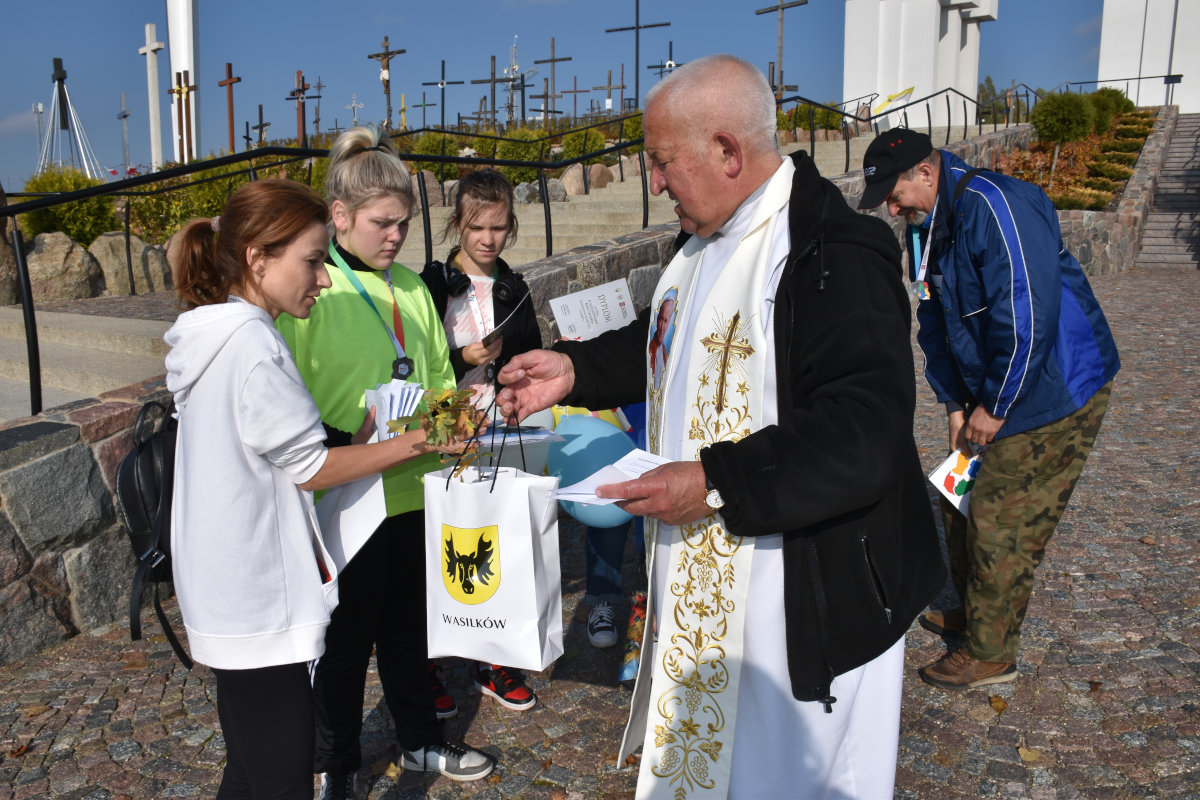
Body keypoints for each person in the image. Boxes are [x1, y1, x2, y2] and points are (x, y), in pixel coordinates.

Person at [497, 54, 945, 798]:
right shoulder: (701, 243)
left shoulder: (833, 254)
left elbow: (863, 433)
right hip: (708, 572)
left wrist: (713, 481)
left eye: (663, 162)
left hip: (794, 596)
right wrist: (574, 371)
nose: (656, 182)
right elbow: (669, 336)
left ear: (728, 152)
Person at [165, 179, 473, 799]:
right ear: (258, 258)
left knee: (250, 772)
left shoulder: (217, 336)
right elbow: (311, 468)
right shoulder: (253, 345)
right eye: (311, 261)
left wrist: (363, 435)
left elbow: (280, 453)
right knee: (280, 778)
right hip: (256, 598)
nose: (324, 277)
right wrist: (421, 442)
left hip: (226, 586)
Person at [858, 129, 1120, 690]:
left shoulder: (997, 208)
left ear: (926, 174)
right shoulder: (924, 227)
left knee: (1003, 514)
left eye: (895, 191)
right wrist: (955, 404)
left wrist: (993, 409)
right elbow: (932, 320)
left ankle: (991, 654)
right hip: (991, 393)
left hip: (1054, 388)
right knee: (959, 501)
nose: (891, 205)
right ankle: (980, 612)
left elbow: (1026, 316)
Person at [275, 125, 494, 797]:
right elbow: (288, 398)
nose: (396, 235)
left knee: (408, 632)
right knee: (343, 648)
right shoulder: (316, 292)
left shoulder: (411, 288)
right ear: (339, 217)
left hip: (412, 493)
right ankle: (333, 765)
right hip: (344, 502)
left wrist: (465, 419)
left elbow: (433, 377)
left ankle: (421, 741)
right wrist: (349, 439)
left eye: (403, 223)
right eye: (382, 223)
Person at [420, 167, 541, 714]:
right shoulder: (429, 284)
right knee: (439, 543)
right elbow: (413, 365)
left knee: (495, 539)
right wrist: (461, 359)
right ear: (457, 224)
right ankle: (430, 665)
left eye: (498, 227)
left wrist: (515, 381)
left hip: (498, 426)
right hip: (445, 428)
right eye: (477, 228)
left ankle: (493, 659)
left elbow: (531, 352)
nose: (488, 239)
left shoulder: (515, 287)